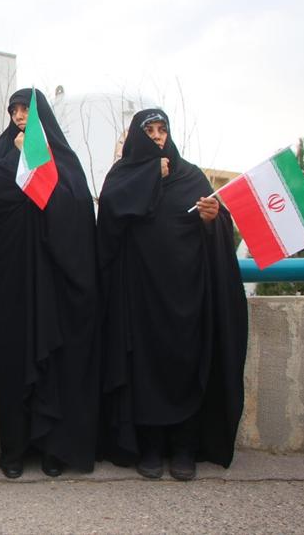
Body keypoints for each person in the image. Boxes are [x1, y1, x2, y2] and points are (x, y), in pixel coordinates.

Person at [97, 108, 248, 481]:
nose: (158, 136)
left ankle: (184, 446)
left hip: (187, 294)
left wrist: (214, 219)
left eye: (162, 129)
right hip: (140, 296)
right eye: (149, 130)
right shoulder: (123, 176)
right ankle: (149, 445)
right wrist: (149, 177)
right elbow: (110, 223)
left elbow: (216, 224)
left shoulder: (190, 175)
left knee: (186, 362)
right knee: (144, 368)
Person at [0, 88, 101, 479]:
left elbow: (77, 205)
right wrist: (18, 156)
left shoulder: (62, 158)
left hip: (54, 283)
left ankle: (52, 447)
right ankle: (14, 448)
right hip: (11, 284)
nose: (18, 116)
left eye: (25, 109)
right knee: (12, 361)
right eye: (13, 110)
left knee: (54, 365)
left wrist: (38, 168)